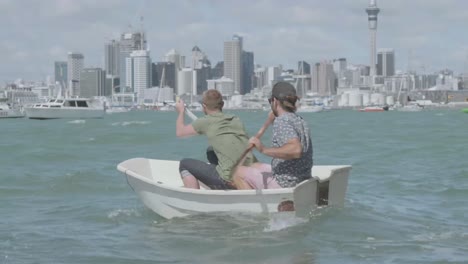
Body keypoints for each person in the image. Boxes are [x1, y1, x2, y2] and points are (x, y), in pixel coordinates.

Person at [175, 89, 257, 189]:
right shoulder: (235, 119)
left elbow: (180, 132)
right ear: (222, 104)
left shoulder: (205, 122)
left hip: (230, 180)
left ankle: (194, 197)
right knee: (211, 151)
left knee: (184, 164)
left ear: (204, 106)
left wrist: (181, 111)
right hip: (251, 175)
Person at [240, 81, 313, 189]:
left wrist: (263, 149)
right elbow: (286, 134)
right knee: (254, 165)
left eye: (270, 101)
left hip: (286, 183)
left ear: (275, 101)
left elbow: (295, 150)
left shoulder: (282, 121)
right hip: (302, 179)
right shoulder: (299, 120)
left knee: (238, 172)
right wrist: (273, 119)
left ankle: (252, 204)